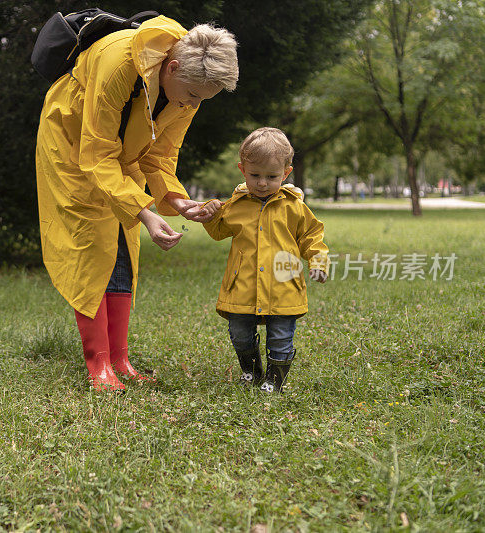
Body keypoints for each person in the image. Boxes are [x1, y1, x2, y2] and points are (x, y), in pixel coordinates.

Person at [35, 16, 239, 391]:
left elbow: (160, 155)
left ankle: (120, 359)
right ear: (172, 66)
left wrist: (177, 201)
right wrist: (144, 211)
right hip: (70, 140)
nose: (193, 104)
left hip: (118, 152)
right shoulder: (119, 63)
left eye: (200, 100)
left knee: (123, 247)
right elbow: (96, 155)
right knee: (90, 244)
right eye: (192, 96)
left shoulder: (187, 84)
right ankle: (98, 365)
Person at [202, 127, 329, 393]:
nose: (262, 183)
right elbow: (217, 232)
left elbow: (311, 236)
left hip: (283, 284)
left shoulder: (294, 206)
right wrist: (211, 213)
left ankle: (275, 379)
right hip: (242, 285)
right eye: (254, 175)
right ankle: (251, 370)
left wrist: (318, 261)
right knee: (239, 333)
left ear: (286, 173)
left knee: (281, 335)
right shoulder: (235, 205)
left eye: (271, 177)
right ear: (242, 170)